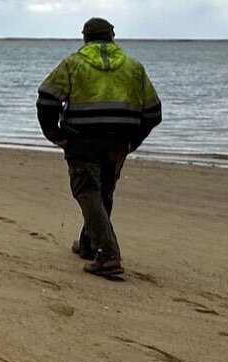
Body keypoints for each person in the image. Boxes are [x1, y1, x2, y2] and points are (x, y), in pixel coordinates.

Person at [36, 17, 162, 279]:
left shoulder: (73, 63)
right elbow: (153, 112)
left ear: (85, 38)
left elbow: (47, 99)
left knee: (87, 191)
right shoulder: (134, 67)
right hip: (118, 142)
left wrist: (55, 135)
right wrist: (134, 140)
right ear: (112, 36)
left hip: (81, 139)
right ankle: (88, 244)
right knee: (103, 192)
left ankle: (107, 255)